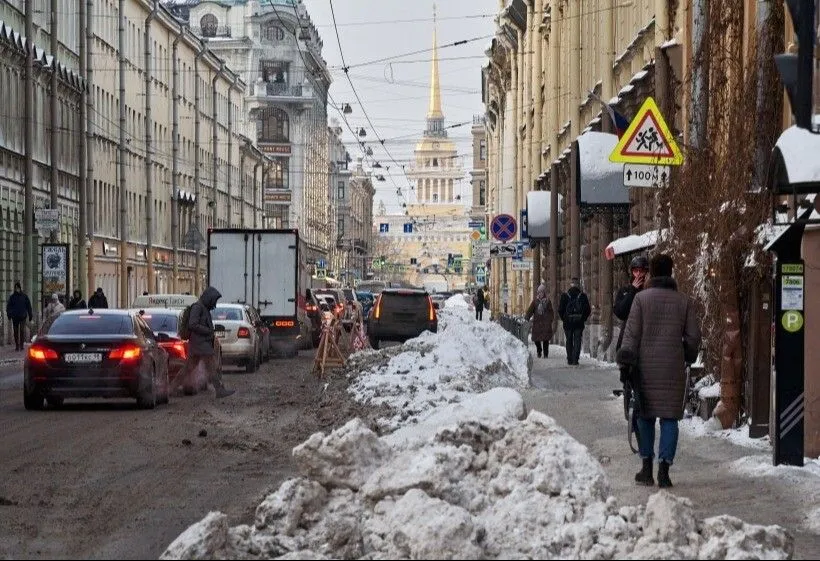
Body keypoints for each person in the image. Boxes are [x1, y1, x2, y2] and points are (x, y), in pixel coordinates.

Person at [617, 254, 701, 488]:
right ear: (671, 272)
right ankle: (664, 470)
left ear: (652, 273)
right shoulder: (683, 301)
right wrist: (687, 355)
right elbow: (693, 337)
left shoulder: (641, 299)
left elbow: (631, 335)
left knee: (645, 416)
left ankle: (646, 469)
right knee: (669, 418)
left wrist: (625, 364)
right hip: (673, 369)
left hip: (644, 370)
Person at [175, 286, 234, 399]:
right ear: (209, 298)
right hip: (200, 344)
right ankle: (219, 390)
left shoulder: (203, 308)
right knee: (211, 366)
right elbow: (192, 324)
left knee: (188, 369)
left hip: (200, 344)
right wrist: (208, 331)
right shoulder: (198, 307)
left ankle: (170, 389)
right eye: (214, 301)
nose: (214, 305)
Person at [558, 278, 591, 366]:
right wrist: (583, 318)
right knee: (577, 340)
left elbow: (560, 309)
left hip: (568, 323)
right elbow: (588, 310)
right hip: (579, 323)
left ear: (571, 284)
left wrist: (564, 319)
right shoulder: (582, 296)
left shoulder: (565, 295)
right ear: (578, 285)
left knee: (569, 340)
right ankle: (575, 359)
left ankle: (570, 359)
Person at [525, 283, 554, 358]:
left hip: (546, 323)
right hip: (537, 323)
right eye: (539, 292)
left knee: (545, 339)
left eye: (542, 292)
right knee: (536, 340)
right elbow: (530, 310)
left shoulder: (548, 301)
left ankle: (546, 354)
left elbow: (551, 311)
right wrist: (526, 317)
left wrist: (550, 319)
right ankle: (539, 350)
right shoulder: (535, 301)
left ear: (544, 293)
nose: (540, 293)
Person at [6, 281, 33, 351]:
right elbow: (8, 307)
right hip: (15, 317)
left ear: (20, 288)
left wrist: (30, 315)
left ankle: (21, 345)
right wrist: (9, 315)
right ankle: (17, 346)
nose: (17, 289)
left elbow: (28, 306)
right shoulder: (12, 297)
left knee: (22, 330)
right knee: (15, 331)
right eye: (15, 288)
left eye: (18, 288)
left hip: (22, 316)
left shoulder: (24, 296)